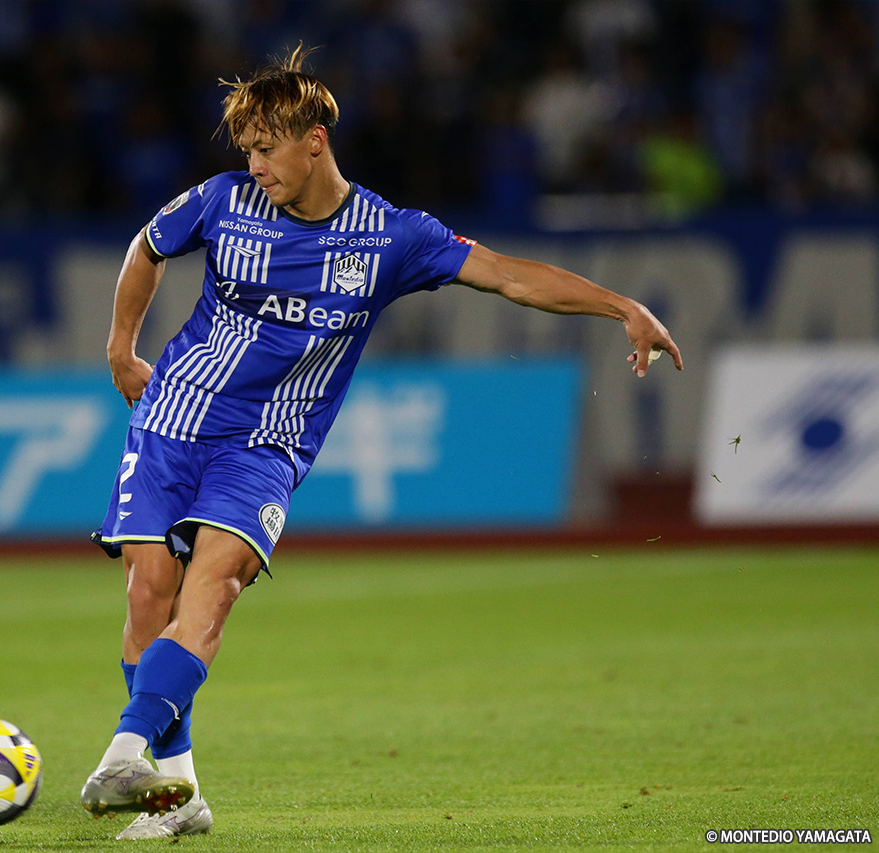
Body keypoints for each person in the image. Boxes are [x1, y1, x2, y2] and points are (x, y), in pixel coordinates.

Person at [81, 46, 682, 840]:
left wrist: (623, 307)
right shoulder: (222, 201)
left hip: (266, 447)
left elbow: (506, 273)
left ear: (315, 141)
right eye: (248, 149)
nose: (254, 164)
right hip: (172, 419)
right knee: (148, 596)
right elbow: (146, 248)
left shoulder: (392, 236)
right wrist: (121, 347)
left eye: (267, 148)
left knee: (213, 589)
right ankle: (180, 793)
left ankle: (124, 753)